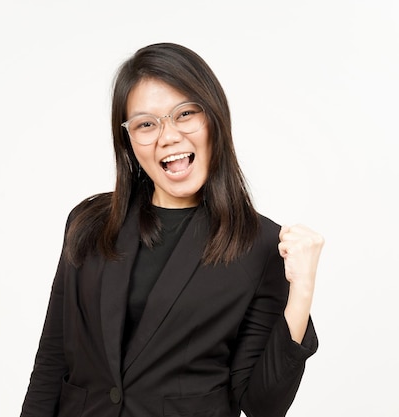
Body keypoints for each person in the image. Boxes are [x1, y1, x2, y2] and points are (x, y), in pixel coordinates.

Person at [20, 42, 324, 417]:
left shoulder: (259, 245)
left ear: (213, 118)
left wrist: (303, 290)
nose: (168, 136)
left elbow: (263, 403)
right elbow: (52, 362)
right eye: (146, 124)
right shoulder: (89, 222)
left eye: (185, 114)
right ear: (129, 141)